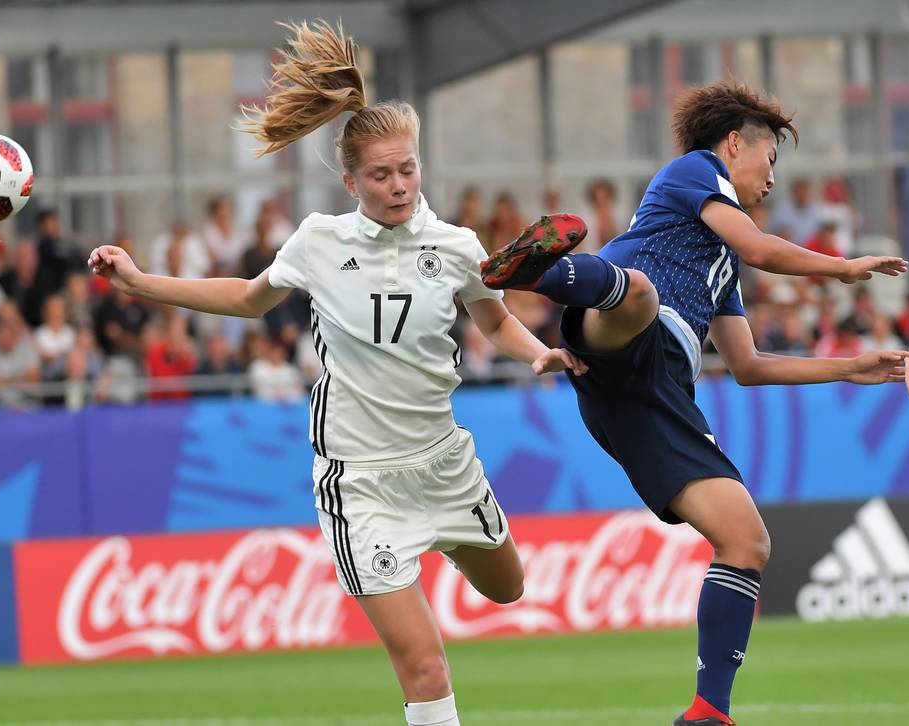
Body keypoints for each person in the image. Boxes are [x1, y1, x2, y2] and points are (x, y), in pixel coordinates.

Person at [89, 20, 583, 726]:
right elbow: (249, 299)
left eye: (407, 170)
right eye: (380, 175)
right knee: (425, 664)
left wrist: (535, 351)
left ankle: (439, 538)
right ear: (351, 181)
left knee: (508, 589)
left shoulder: (456, 245)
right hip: (360, 480)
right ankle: (401, 561)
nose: (398, 185)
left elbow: (495, 323)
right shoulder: (318, 240)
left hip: (444, 462)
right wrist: (142, 283)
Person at [482, 81, 907, 726]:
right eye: (769, 161)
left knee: (747, 541)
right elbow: (763, 248)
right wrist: (846, 269)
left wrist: (851, 368)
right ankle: (536, 272)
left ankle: (709, 711)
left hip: (655, 396)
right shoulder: (695, 171)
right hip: (618, 329)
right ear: (735, 145)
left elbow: (749, 367)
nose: (770, 180)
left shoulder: (721, 268)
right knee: (642, 295)